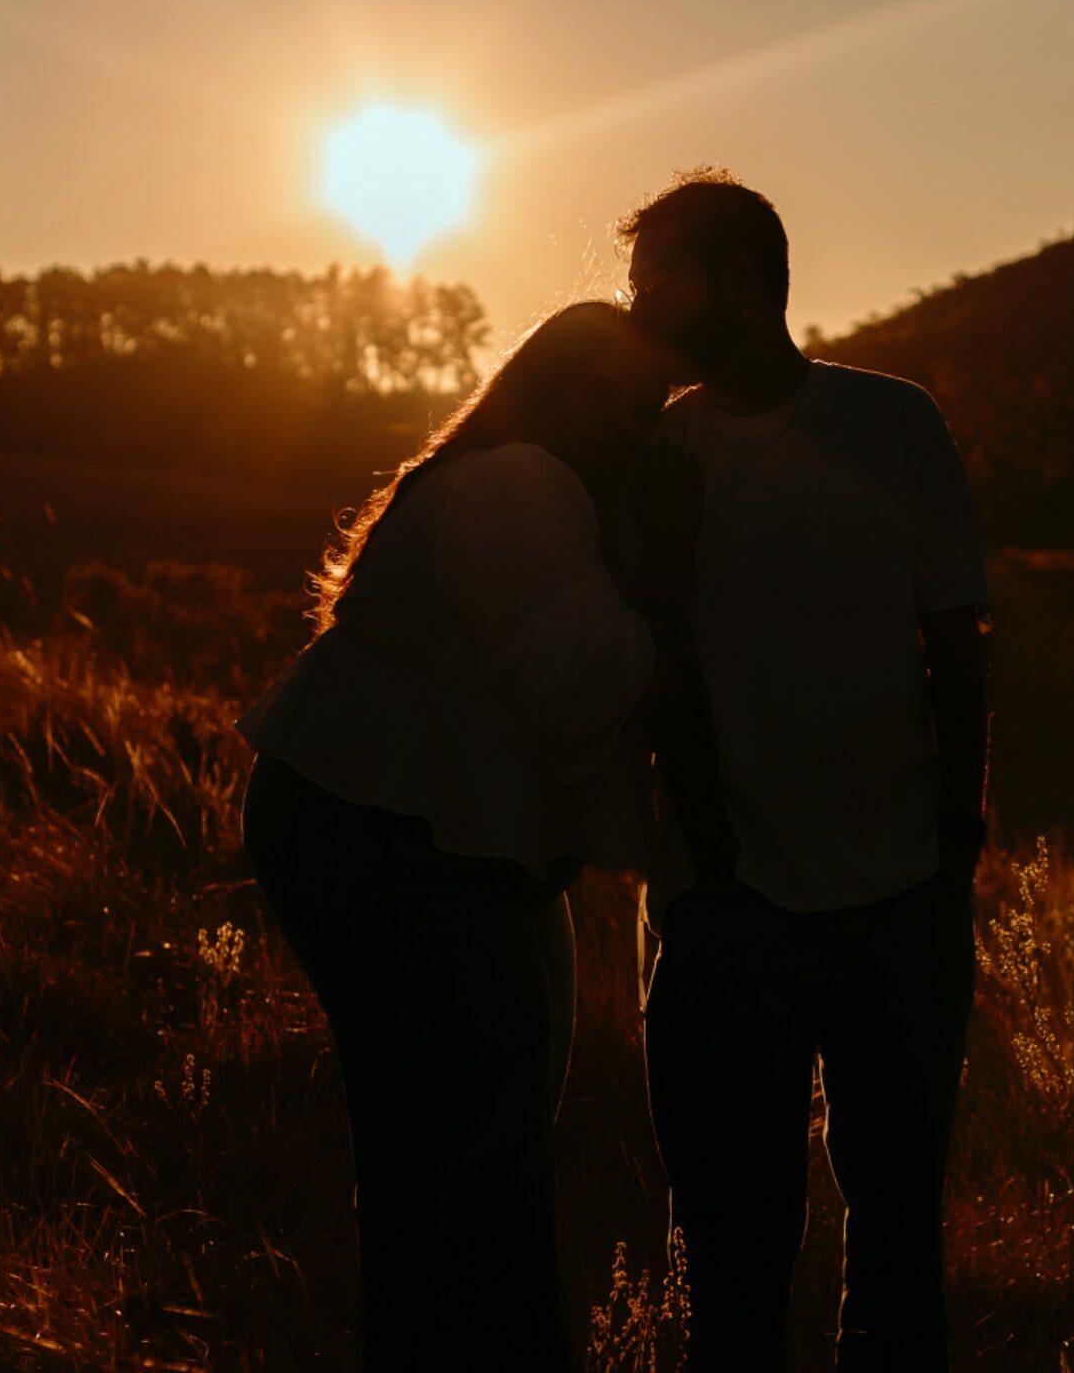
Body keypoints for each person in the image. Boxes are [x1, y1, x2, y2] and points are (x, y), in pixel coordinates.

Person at [235, 300, 699, 1371]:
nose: (626, 418)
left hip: (412, 822)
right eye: (604, 391)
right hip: (395, 828)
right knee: (472, 1137)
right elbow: (584, 686)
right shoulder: (512, 485)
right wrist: (671, 590)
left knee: (454, 1134)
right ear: (544, 383)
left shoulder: (534, 482)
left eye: (645, 403)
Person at [621, 170, 992, 1372]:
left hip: (898, 906)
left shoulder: (894, 425)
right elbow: (639, 665)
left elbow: (958, 643)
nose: (643, 317)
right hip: (731, 916)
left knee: (896, 1258)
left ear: (744, 282)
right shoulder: (658, 453)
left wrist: (952, 852)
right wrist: (709, 870)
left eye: (659, 287)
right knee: (733, 1262)